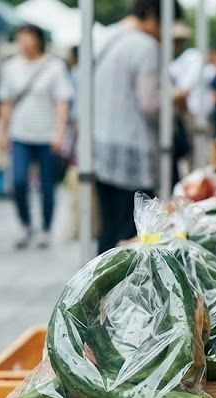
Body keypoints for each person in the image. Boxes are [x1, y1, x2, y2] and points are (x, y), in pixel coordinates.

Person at [93, 0, 185, 254]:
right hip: (133, 151)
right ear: (153, 16)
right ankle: (123, 292)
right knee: (130, 236)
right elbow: (150, 104)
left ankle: (98, 287)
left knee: (108, 229)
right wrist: (174, 101)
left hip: (101, 148)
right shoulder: (146, 47)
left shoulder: (105, 40)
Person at [0, 24, 73, 250]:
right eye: (19, 37)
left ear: (38, 39)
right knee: (18, 181)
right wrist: (3, 132)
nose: (23, 41)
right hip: (20, 134)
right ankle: (26, 225)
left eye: (27, 36)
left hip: (48, 135)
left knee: (48, 186)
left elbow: (62, 102)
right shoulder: (11, 67)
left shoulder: (54, 67)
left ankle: (46, 229)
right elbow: (5, 102)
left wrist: (60, 133)